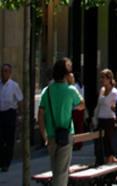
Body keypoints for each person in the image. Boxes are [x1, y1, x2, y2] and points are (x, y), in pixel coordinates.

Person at [38, 57, 85, 186]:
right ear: (66, 74)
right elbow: (81, 105)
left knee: (55, 169)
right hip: (66, 134)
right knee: (62, 171)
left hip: (51, 135)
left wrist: (44, 135)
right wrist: (73, 83)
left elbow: (40, 115)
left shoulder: (46, 91)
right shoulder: (71, 90)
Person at [0, 63, 23, 172]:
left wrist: (20, 115)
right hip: (1, 114)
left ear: (9, 73)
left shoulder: (14, 86)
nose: (3, 73)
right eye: (2, 71)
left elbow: (20, 101)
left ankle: (6, 163)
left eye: (5, 71)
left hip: (10, 114)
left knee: (9, 139)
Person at [95, 68, 117, 164]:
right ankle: (107, 161)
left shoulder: (114, 92)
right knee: (101, 144)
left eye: (103, 77)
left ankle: (110, 162)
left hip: (110, 120)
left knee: (109, 144)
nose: (101, 79)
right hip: (101, 119)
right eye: (101, 77)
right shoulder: (102, 90)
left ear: (109, 79)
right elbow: (98, 105)